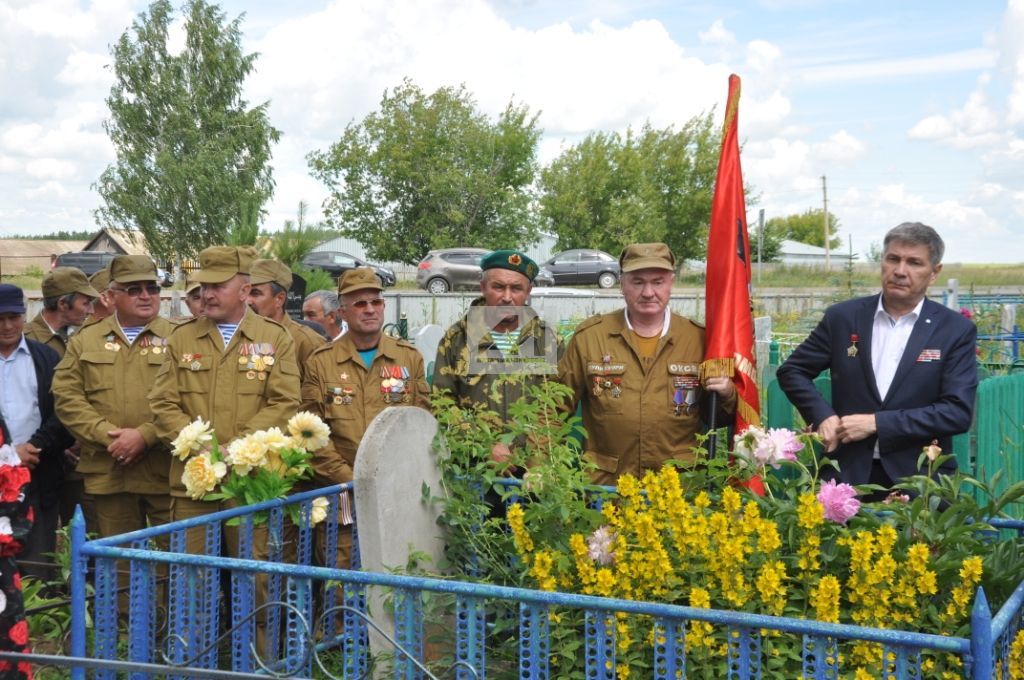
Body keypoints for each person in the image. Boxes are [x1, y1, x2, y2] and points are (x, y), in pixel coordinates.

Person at [776, 222, 978, 493]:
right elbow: (792, 371)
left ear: (934, 273)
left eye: (914, 262)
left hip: (921, 481)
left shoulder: (954, 330)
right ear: (882, 261)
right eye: (893, 259)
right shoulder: (844, 318)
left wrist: (876, 424)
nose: (900, 271)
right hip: (845, 476)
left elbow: (957, 413)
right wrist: (823, 415)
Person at [150, 246, 301, 534]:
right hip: (194, 482)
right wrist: (202, 447)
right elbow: (162, 402)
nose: (207, 294)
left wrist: (236, 449)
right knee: (193, 573)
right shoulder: (182, 338)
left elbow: (284, 403)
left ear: (245, 291)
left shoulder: (275, 338)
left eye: (218, 286)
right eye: (205, 285)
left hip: (251, 482)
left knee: (253, 574)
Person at [558, 243, 736, 485]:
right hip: (608, 487)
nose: (648, 292)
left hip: (679, 489)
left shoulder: (700, 340)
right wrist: (539, 468)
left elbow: (717, 418)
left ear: (671, 282)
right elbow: (553, 408)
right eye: (638, 282)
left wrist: (727, 394)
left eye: (658, 282)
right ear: (622, 284)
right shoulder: (591, 338)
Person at [300, 267, 429, 568]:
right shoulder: (321, 362)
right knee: (342, 580)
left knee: (398, 570)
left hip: (395, 489)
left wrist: (392, 478)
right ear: (342, 312)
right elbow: (309, 430)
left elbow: (420, 423)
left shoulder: (409, 358)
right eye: (360, 304)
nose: (370, 310)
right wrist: (350, 479)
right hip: (342, 493)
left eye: (376, 302)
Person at [53, 256, 175, 541]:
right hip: (110, 471)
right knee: (120, 569)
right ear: (110, 295)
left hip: (164, 471)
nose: (146, 296)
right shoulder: (86, 340)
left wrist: (145, 435)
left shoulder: (180, 338)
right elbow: (67, 397)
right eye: (134, 289)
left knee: (173, 566)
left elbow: (193, 398)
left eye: (152, 288)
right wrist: (110, 439)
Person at [433, 249, 563, 467]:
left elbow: (557, 406)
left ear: (529, 291)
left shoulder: (547, 341)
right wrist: (485, 446)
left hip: (533, 476)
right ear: (483, 287)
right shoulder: (458, 339)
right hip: (474, 469)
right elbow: (442, 404)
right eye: (498, 287)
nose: (507, 297)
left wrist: (537, 460)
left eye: (517, 288)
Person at [0, 284, 73, 580]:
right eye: (0, 318)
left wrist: (34, 447)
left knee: (36, 564)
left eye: (14, 317)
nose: (7, 326)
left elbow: (64, 413)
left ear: (24, 315)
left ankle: (39, 620)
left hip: (36, 473)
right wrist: (7, 454)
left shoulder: (46, 359)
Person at [248, 259, 326, 379]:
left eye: (255, 293)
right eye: (244, 292)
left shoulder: (306, 342)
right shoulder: (239, 334)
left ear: (279, 299)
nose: (247, 301)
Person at [24, 267, 98, 356]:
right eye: (85, 303)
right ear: (62, 304)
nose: (91, 310)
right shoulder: (25, 342)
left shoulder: (82, 334)